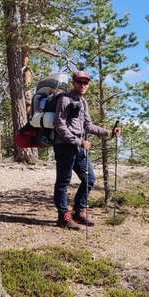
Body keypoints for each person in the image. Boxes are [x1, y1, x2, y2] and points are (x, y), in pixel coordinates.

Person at [52, 70, 120, 230]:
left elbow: (88, 125)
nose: (83, 85)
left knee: (89, 179)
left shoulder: (83, 102)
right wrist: (79, 141)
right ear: (74, 82)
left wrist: (109, 132)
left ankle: (78, 212)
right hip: (65, 146)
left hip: (79, 147)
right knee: (63, 182)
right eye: (79, 82)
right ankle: (63, 217)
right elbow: (59, 125)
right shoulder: (64, 99)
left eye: (85, 82)